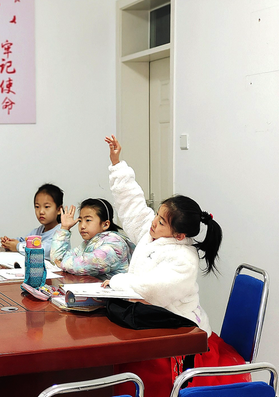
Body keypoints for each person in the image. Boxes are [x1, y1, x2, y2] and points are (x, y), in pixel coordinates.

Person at [103, 135, 248, 395]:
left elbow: (154, 290)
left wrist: (117, 282)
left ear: (179, 235)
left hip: (177, 334)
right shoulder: (153, 234)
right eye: (157, 215)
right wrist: (117, 165)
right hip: (152, 321)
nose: (153, 222)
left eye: (161, 221)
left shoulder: (184, 258)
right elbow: (133, 207)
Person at [50, 198, 134, 280]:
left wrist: (63, 264)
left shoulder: (115, 243)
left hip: (112, 289)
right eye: (80, 221)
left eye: (88, 220)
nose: (82, 226)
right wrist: (64, 228)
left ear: (105, 224)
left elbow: (86, 264)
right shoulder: (88, 243)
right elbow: (57, 260)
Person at [0, 183, 63, 260]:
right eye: (37, 207)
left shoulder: (61, 232)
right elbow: (24, 240)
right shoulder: (38, 231)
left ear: (59, 210)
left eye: (46, 207)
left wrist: (17, 246)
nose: (41, 211)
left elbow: (45, 251)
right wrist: (9, 242)